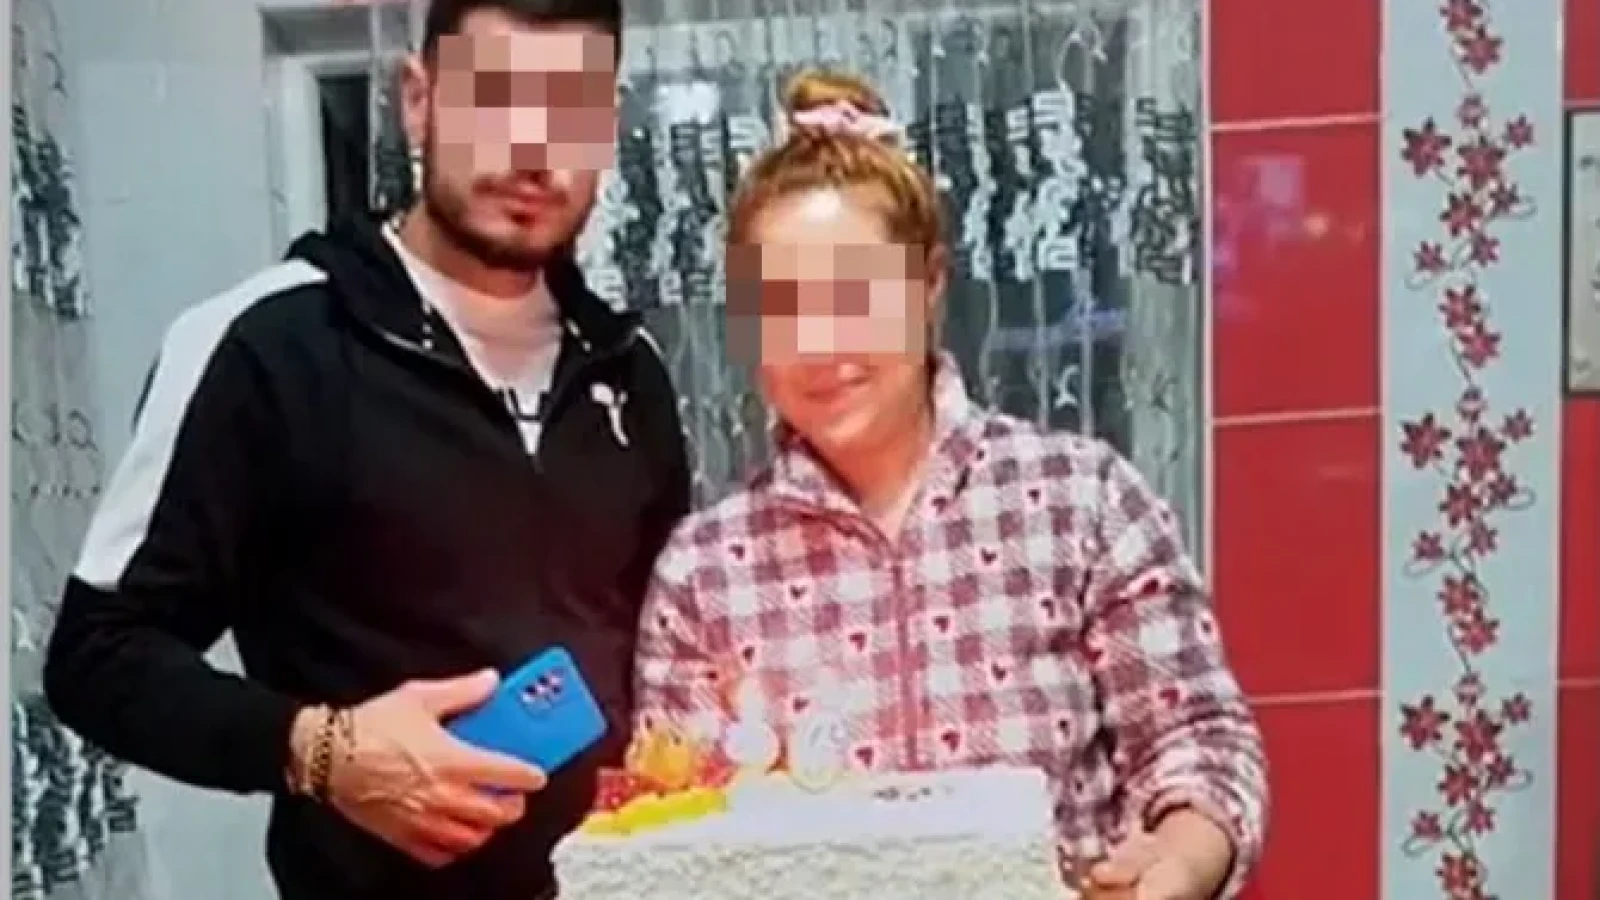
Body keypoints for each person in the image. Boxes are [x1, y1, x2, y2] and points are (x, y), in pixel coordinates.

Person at [44, 1, 689, 897]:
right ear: (419, 101)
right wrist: (324, 751)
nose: (534, 150)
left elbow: (667, 647)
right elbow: (97, 655)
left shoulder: (629, 366)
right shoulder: (265, 345)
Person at [632, 70, 1267, 900]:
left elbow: (1199, 741)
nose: (821, 343)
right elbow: (674, 832)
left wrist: (1180, 861)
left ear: (929, 283)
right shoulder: (706, 570)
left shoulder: (1081, 501)